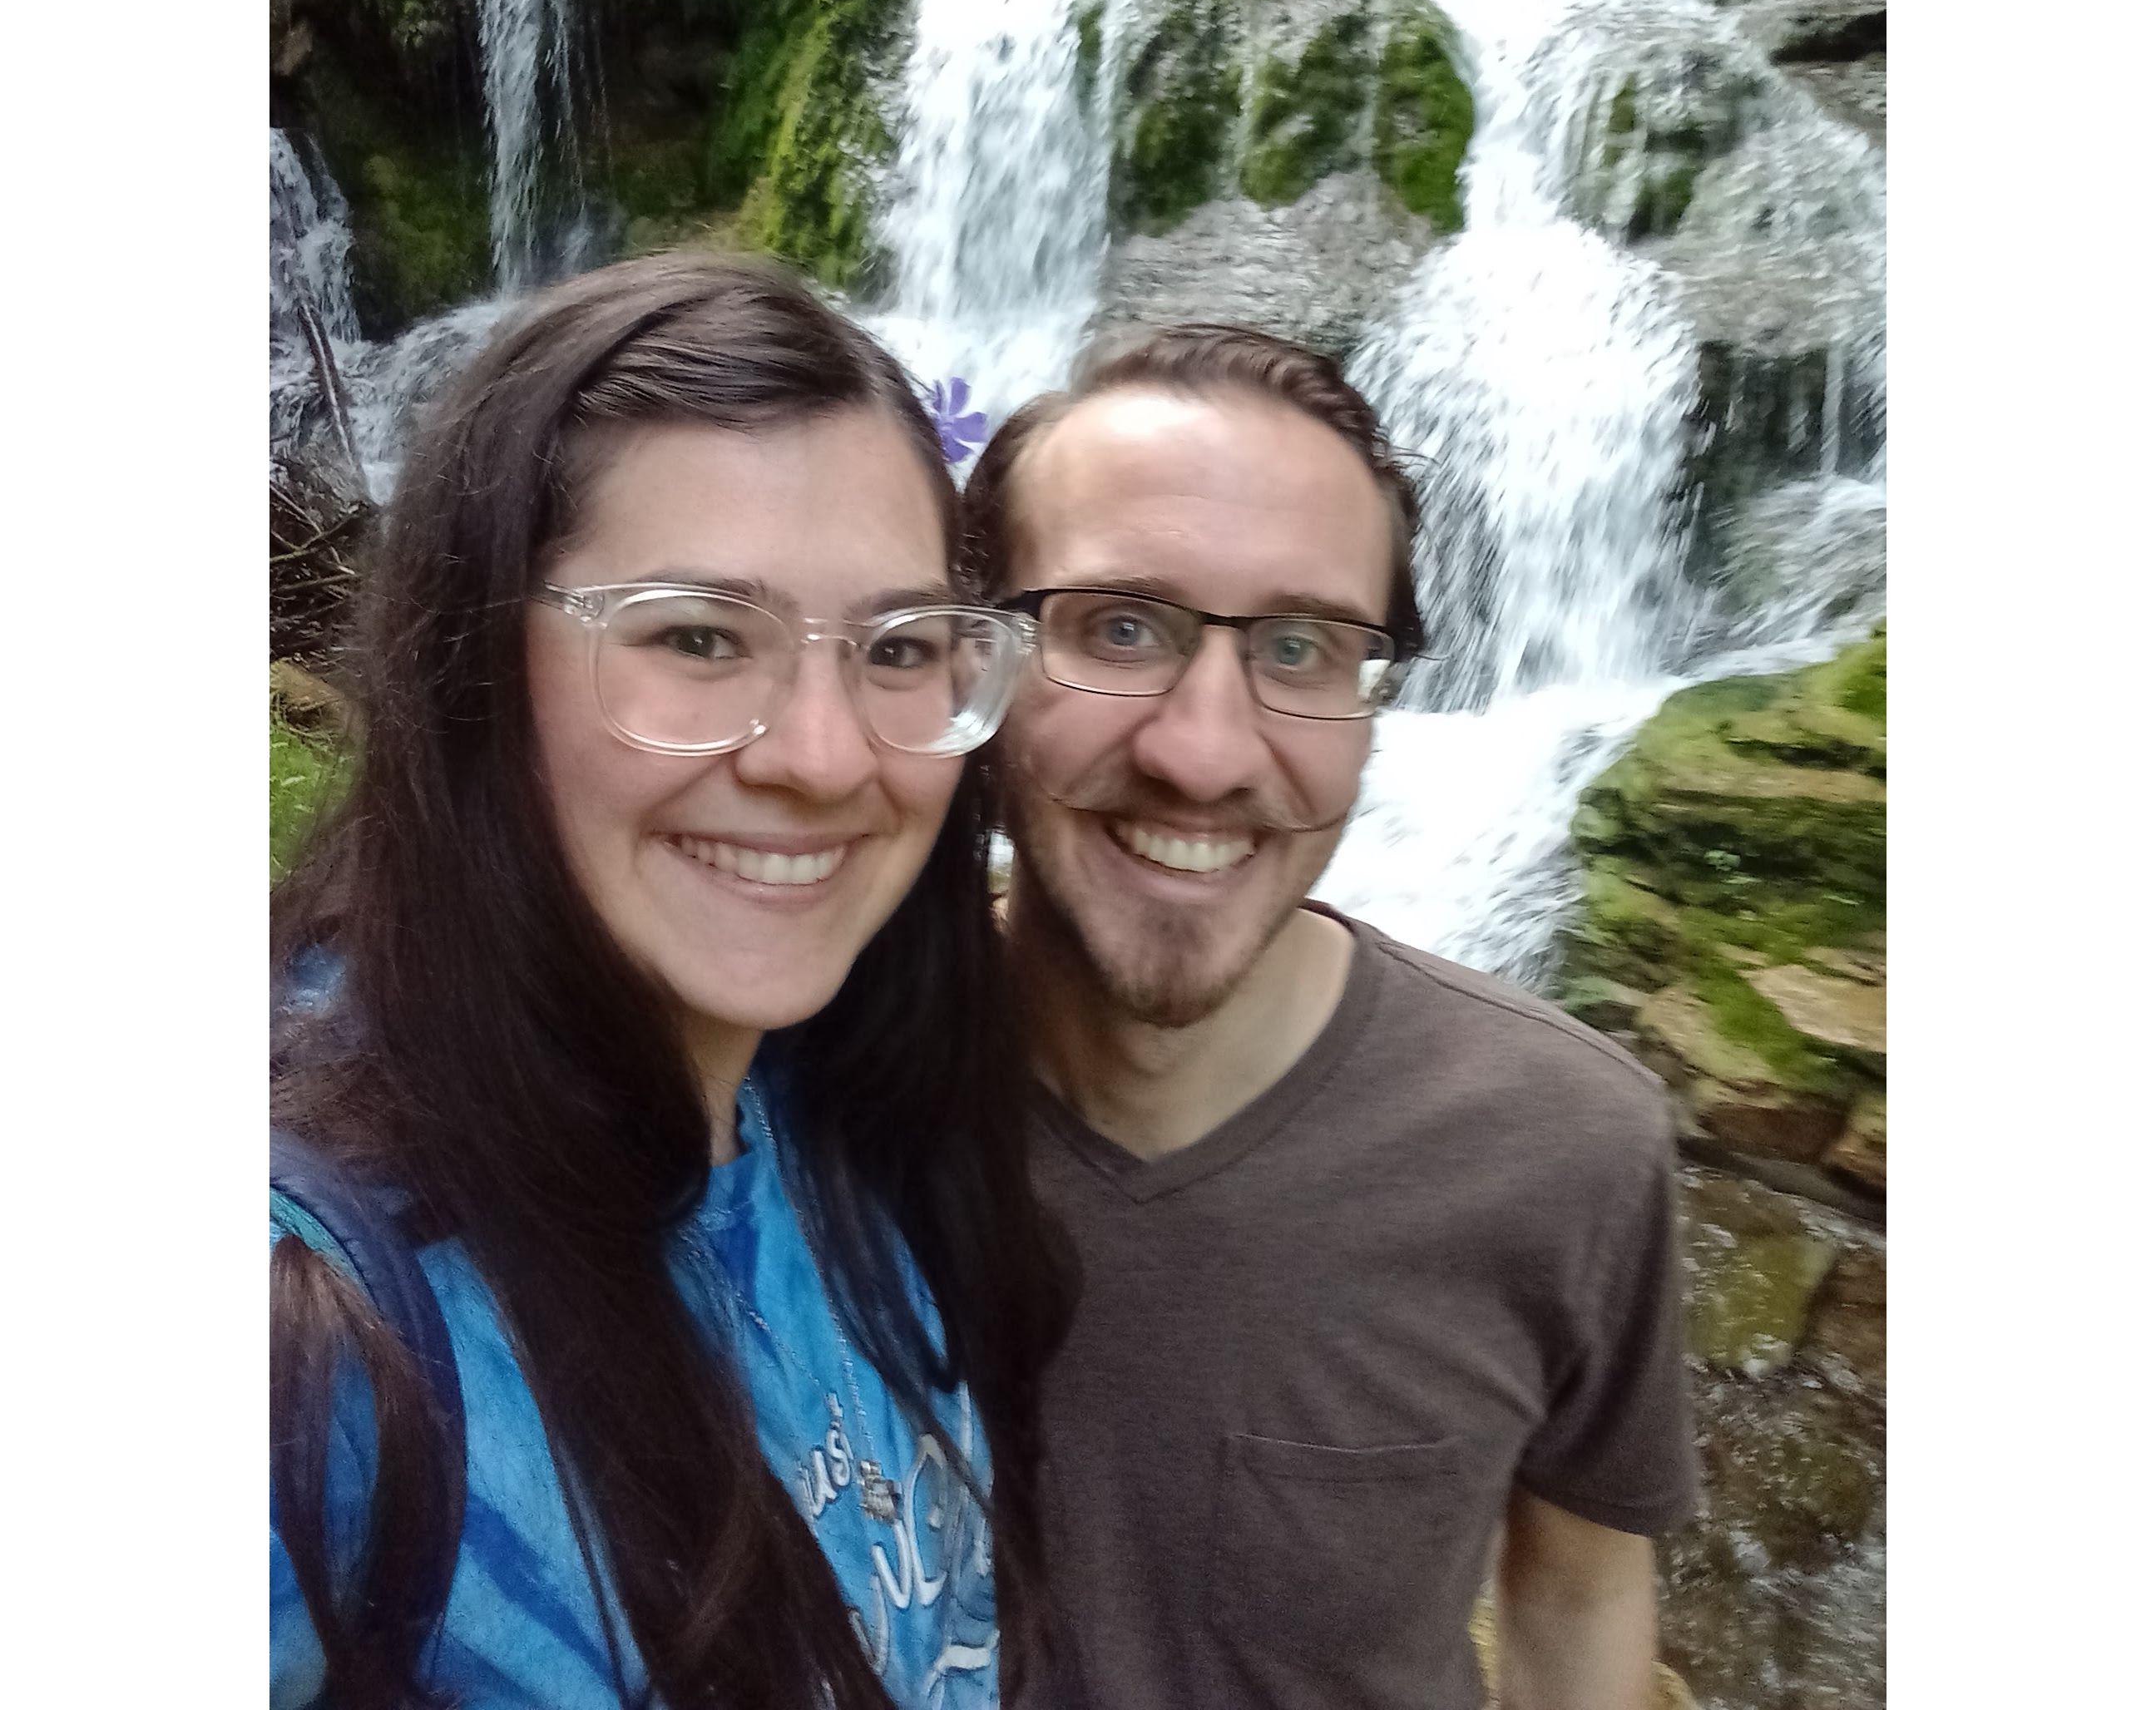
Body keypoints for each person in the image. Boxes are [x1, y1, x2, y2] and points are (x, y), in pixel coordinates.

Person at [270, 253, 1071, 1710]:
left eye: (899, 647)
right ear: (475, 669)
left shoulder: (854, 1109)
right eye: (697, 637)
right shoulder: (308, 1334)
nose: (824, 757)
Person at [962, 324, 1699, 1710]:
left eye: (1302, 648)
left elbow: (1578, 1587)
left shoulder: (1566, 1145)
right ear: (973, 657)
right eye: (1120, 626)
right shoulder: (794, 1078)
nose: (1205, 752)